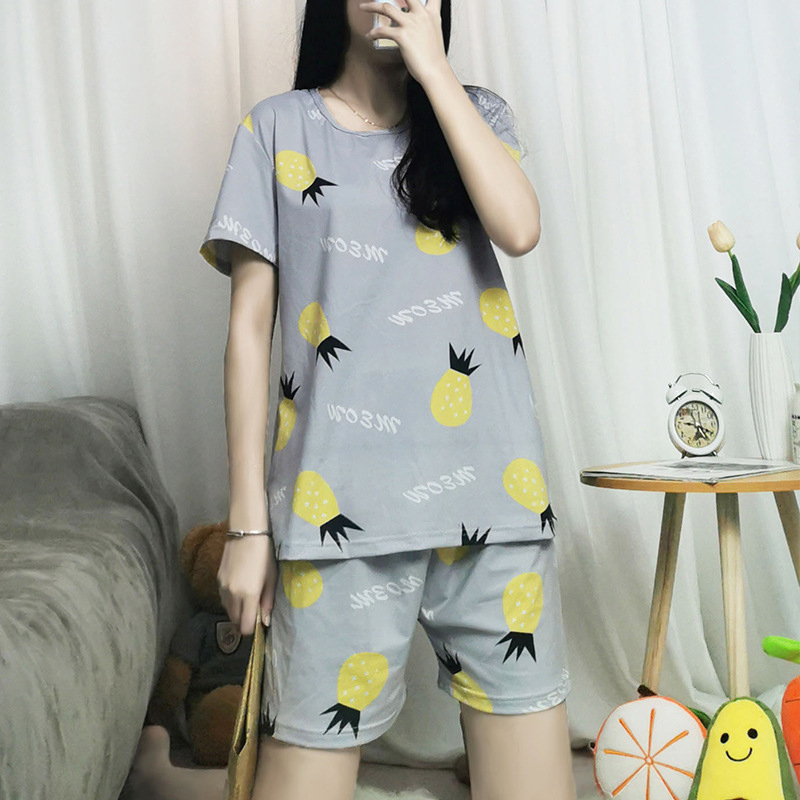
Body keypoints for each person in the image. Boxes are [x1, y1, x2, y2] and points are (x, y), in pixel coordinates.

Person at [122, 1, 576, 799]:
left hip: (496, 500)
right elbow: (248, 333)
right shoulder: (276, 129)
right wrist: (248, 527)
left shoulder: (473, 114)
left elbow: (520, 228)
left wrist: (435, 74)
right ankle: (169, 780)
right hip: (337, 512)